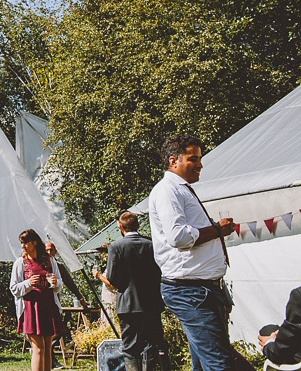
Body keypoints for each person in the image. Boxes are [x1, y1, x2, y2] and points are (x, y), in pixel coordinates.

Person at [149, 134, 241, 371]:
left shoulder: (180, 189)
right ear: (173, 161)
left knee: (203, 362)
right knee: (219, 363)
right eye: (193, 159)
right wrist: (217, 230)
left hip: (199, 288)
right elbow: (178, 237)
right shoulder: (169, 191)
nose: (200, 164)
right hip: (190, 290)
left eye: (200, 158)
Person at [101, 212, 169, 371]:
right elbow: (161, 272)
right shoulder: (151, 244)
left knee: (130, 349)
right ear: (138, 225)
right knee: (156, 343)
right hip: (151, 303)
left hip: (128, 304)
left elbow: (112, 278)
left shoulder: (116, 247)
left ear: (120, 227)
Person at [10, 229, 63, 371]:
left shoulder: (49, 260)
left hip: (48, 306)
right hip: (30, 308)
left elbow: (59, 284)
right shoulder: (20, 263)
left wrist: (54, 282)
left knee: (47, 346)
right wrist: (28, 283)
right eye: (21, 243)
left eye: (25, 243)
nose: (23, 246)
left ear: (34, 242)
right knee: (38, 348)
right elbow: (13, 288)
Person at [259, 286, 301, 366]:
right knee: (269, 330)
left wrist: (268, 343)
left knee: (266, 332)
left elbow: (280, 352)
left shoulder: (298, 295)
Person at [44, 242, 86, 307]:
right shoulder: (39, 265)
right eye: (47, 250)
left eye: (51, 250)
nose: (49, 252)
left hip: (54, 299)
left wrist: (80, 297)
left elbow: (69, 282)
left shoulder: (59, 266)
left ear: (55, 251)